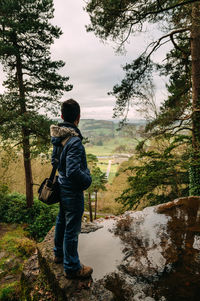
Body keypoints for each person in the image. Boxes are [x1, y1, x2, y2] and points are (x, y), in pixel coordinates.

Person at [50, 99, 93, 279]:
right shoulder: (74, 141)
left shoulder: (59, 137)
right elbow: (74, 171)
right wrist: (87, 180)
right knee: (72, 229)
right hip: (72, 191)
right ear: (78, 118)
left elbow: (55, 161)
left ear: (62, 116)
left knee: (61, 220)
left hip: (61, 186)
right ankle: (72, 267)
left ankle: (58, 254)